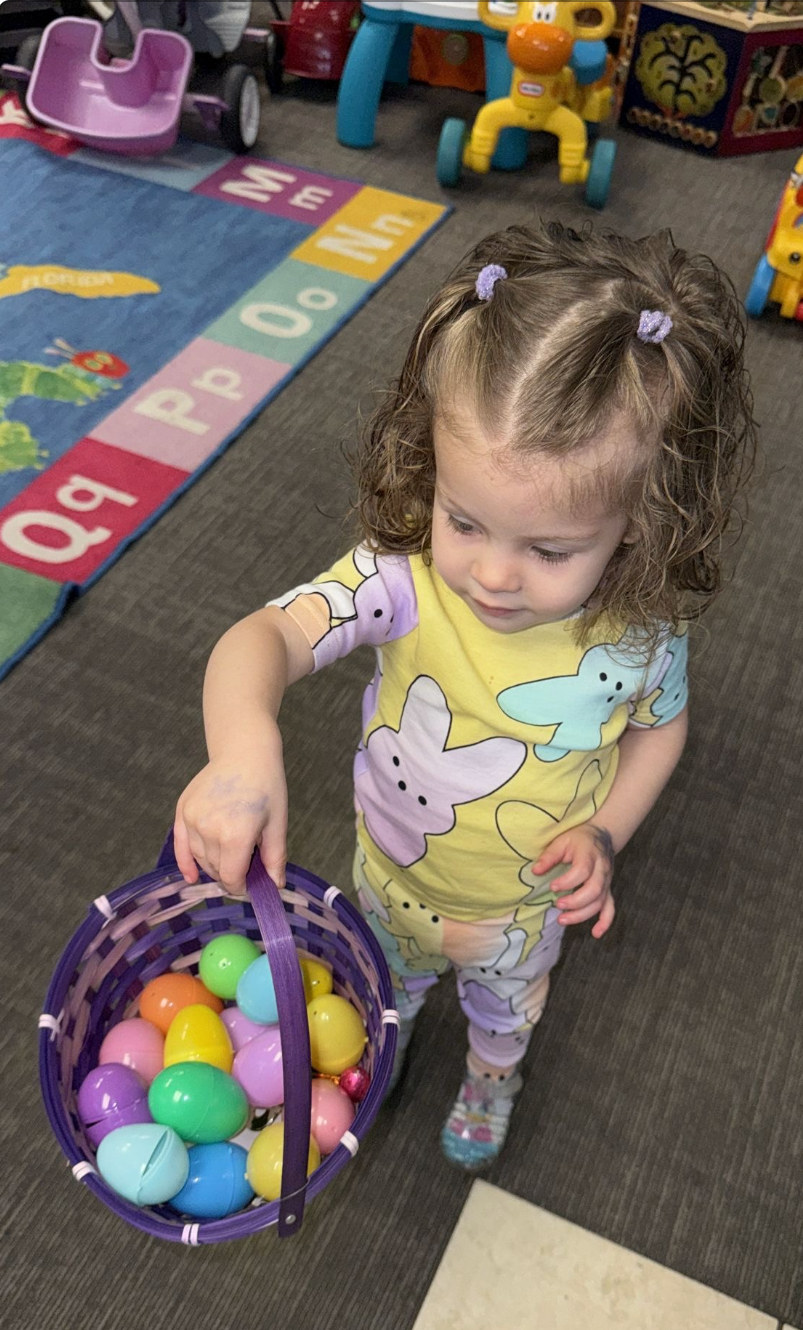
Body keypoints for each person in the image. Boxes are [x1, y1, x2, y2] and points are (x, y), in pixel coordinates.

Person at [174, 221, 757, 1171]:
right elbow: (264, 639)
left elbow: (662, 731)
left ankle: (494, 1076)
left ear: (641, 526)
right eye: (464, 518)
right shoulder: (400, 578)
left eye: (550, 550)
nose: (491, 573)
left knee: (506, 1010)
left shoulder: (639, 638)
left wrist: (606, 830)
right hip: (384, 873)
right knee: (380, 983)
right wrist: (242, 752)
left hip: (519, 910)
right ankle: (387, 1031)